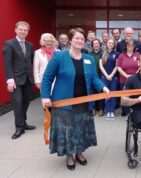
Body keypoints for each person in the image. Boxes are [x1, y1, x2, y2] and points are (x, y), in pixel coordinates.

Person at [41, 28, 109, 171]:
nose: (79, 41)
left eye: (82, 39)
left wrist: (103, 88)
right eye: (77, 38)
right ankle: (69, 156)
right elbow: (47, 77)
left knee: (81, 129)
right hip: (64, 104)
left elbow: (94, 78)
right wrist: (45, 96)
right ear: (70, 40)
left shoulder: (89, 59)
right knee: (67, 130)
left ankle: (79, 152)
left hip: (84, 102)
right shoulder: (59, 56)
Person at [3, 21, 36, 139]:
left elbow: (33, 60)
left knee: (26, 102)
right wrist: (10, 80)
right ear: (16, 30)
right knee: (17, 103)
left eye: (25, 30)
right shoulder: (9, 44)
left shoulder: (30, 45)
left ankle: (23, 123)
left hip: (28, 79)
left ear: (27, 32)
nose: (23, 32)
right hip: (15, 80)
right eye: (21, 29)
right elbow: (7, 63)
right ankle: (18, 128)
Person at [117, 40, 140, 116]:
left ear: (134, 47)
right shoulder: (121, 55)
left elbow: (140, 66)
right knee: (125, 96)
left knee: (135, 95)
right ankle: (126, 112)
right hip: (124, 79)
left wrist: (133, 76)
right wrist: (126, 76)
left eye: (132, 45)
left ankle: (135, 111)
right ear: (126, 46)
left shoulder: (137, 54)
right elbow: (118, 67)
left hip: (136, 79)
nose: (130, 46)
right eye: (129, 45)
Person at [99, 38, 120, 120]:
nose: (110, 44)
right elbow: (100, 66)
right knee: (107, 95)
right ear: (106, 44)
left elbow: (117, 66)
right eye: (109, 43)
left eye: (112, 43)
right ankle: (108, 111)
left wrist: (111, 75)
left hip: (114, 77)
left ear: (114, 45)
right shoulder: (102, 53)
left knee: (113, 95)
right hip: (104, 77)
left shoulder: (117, 53)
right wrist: (107, 75)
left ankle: (112, 112)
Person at [89, 39, 105, 117]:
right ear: (92, 45)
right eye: (94, 44)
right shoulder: (89, 54)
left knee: (101, 93)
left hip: (101, 76)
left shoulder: (103, 53)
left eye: (97, 43)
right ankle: (93, 108)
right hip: (91, 76)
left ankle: (101, 109)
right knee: (93, 93)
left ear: (100, 44)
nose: (96, 45)